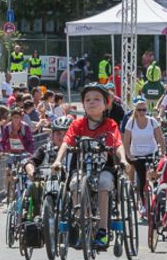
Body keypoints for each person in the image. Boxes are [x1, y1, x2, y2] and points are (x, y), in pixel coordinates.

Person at [51, 83, 129, 249]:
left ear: (106, 103)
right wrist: (58, 160)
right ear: (83, 104)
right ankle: (82, 224)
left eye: (96, 99)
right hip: (81, 167)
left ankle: (102, 230)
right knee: (74, 184)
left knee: (104, 183)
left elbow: (118, 144)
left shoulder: (111, 125)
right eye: (88, 100)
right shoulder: (77, 125)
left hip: (104, 167)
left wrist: (123, 160)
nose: (92, 102)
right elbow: (66, 142)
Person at [122, 97, 166, 217]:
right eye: (140, 110)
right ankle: (143, 203)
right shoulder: (131, 123)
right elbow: (126, 141)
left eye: (144, 110)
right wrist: (128, 154)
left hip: (151, 152)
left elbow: (160, 138)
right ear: (136, 111)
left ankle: (157, 200)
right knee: (142, 180)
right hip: (137, 155)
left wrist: (163, 153)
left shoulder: (152, 121)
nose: (142, 112)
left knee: (154, 176)